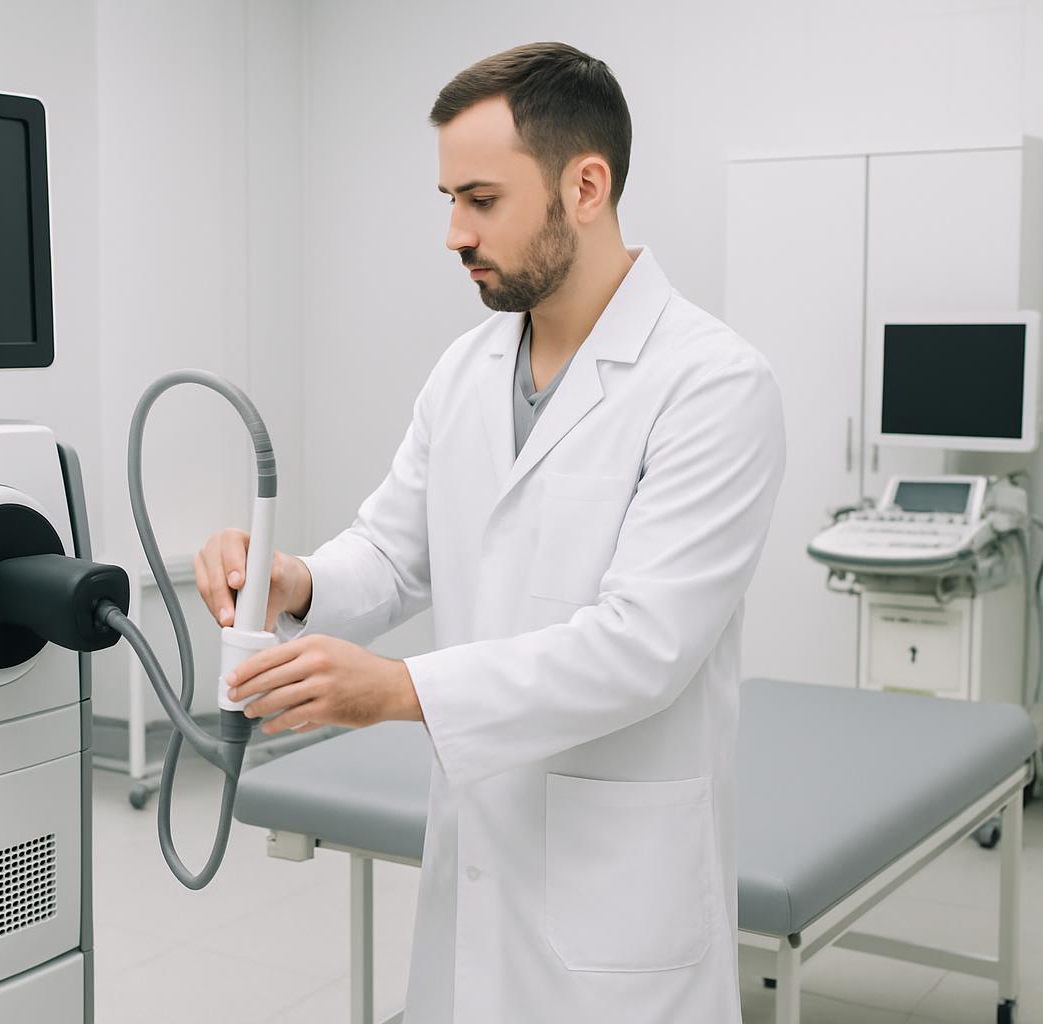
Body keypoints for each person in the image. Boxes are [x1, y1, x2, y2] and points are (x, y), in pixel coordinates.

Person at [195, 41, 784, 1023]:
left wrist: (397, 689)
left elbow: (641, 648)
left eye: (481, 198)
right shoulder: (467, 371)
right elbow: (391, 550)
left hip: (620, 894)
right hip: (480, 865)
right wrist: (294, 579)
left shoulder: (713, 385)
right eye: (448, 199)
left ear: (585, 185)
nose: (453, 231)